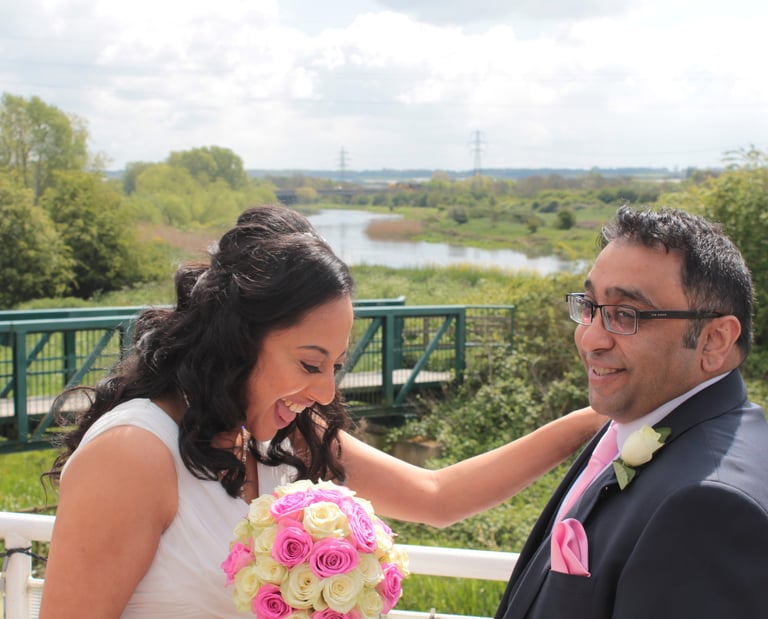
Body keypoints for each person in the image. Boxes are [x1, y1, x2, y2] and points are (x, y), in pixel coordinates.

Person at [40, 204, 602, 619]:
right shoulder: (133, 454)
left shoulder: (283, 434)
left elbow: (438, 499)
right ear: (238, 340)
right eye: (310, 364)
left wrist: (593, 421)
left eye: (336, 364)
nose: (328, 392)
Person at [495, 205, 768, 619]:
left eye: (627, 314)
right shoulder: (637, 420)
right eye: (589, 306)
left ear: (714, 340)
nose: (590, 338)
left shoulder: (709, 506)